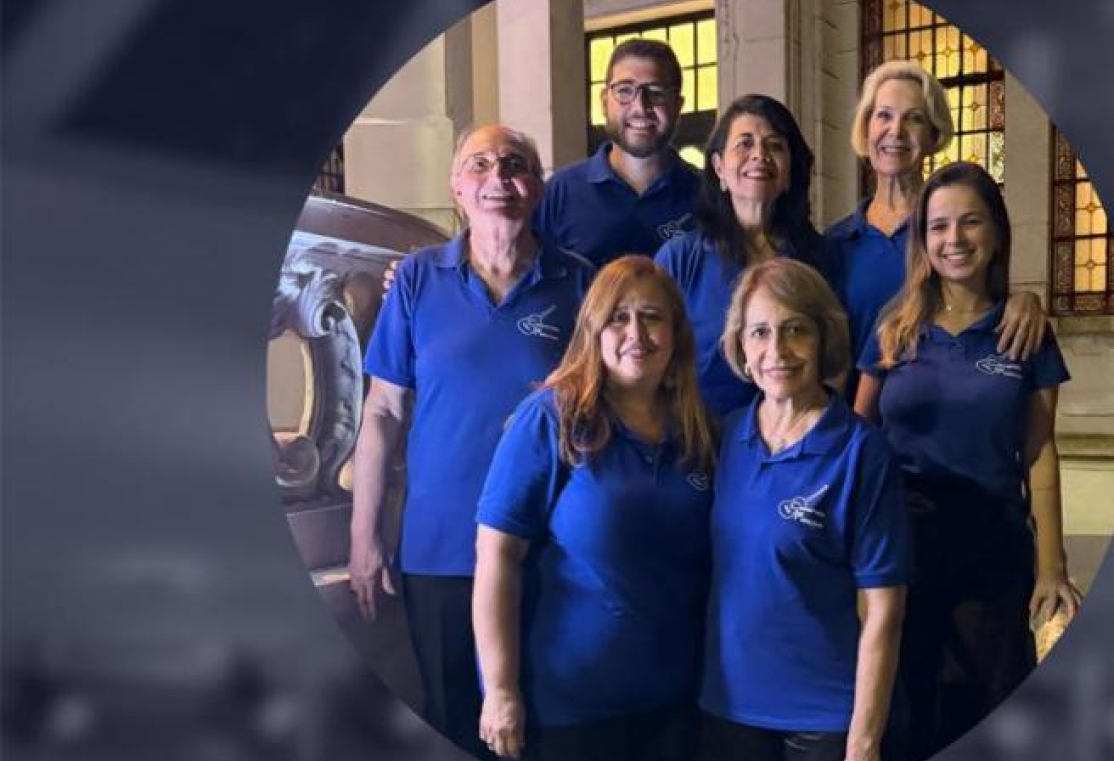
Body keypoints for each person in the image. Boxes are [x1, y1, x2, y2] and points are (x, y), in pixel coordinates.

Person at [349, 124, 594, 758]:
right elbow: (382, 410)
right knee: (450, 720)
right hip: (439, 552)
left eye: (514, 165)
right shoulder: (416, 281)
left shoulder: (579, 282)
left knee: (541, 728)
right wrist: (364, 534)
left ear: (537, 187)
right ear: (457, 187)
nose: (497, 178)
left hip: (551, 549)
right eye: (479, 165)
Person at [855, 162, 1083, 759]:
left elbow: (1039, 450)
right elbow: (857, 435)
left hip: (991, 544)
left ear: (997, 233)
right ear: (922, 240)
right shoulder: (893, 328)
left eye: (970, 222)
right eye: (938, 226)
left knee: (986, 707)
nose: (953, 239)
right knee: (904, 706)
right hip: (902, 544)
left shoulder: (1023, 330)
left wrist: (1052, 565)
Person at [473, 256, 716, 761]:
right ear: (594, 330)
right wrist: (500, 689)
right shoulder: (552, 417)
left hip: (673, 702)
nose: (637, 333)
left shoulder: (698, 431)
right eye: (618, 317)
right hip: (572, 706)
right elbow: (496, 555)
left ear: (675, 332)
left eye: (652, 317)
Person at [700, 257, 909, 761]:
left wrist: (864, 739)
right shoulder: (723, 439)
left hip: (825, 719)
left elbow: (882, 608)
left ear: (823, 338)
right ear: (741, 348)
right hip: (726, 709)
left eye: (796, 329)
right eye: (760, 333)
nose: (777, 351)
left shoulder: (861, 451)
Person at [827, 61, 1045, 396]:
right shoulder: (833, 244)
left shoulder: (951, 238)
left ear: (933, 134)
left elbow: (982, 300)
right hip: (857, 429)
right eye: (883, 115)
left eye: (913, 118)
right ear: (866, 129)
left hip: (936, 424)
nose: (896, 131)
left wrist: (1023, 300)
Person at [655, 94, 836, 417]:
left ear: (791, 170)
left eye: (775, 146)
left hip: (790, 445)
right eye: (745, 144)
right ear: (719, 167)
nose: (760, 156)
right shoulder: (681, 259)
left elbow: (835, 361)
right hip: (700, 446)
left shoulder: (819, 257)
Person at [533, 39, 700, 265]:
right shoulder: (559, 193)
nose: (640, 106)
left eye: (656, 92)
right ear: (604, 102)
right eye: (625, 91)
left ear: (678, 105)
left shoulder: (707, 194)